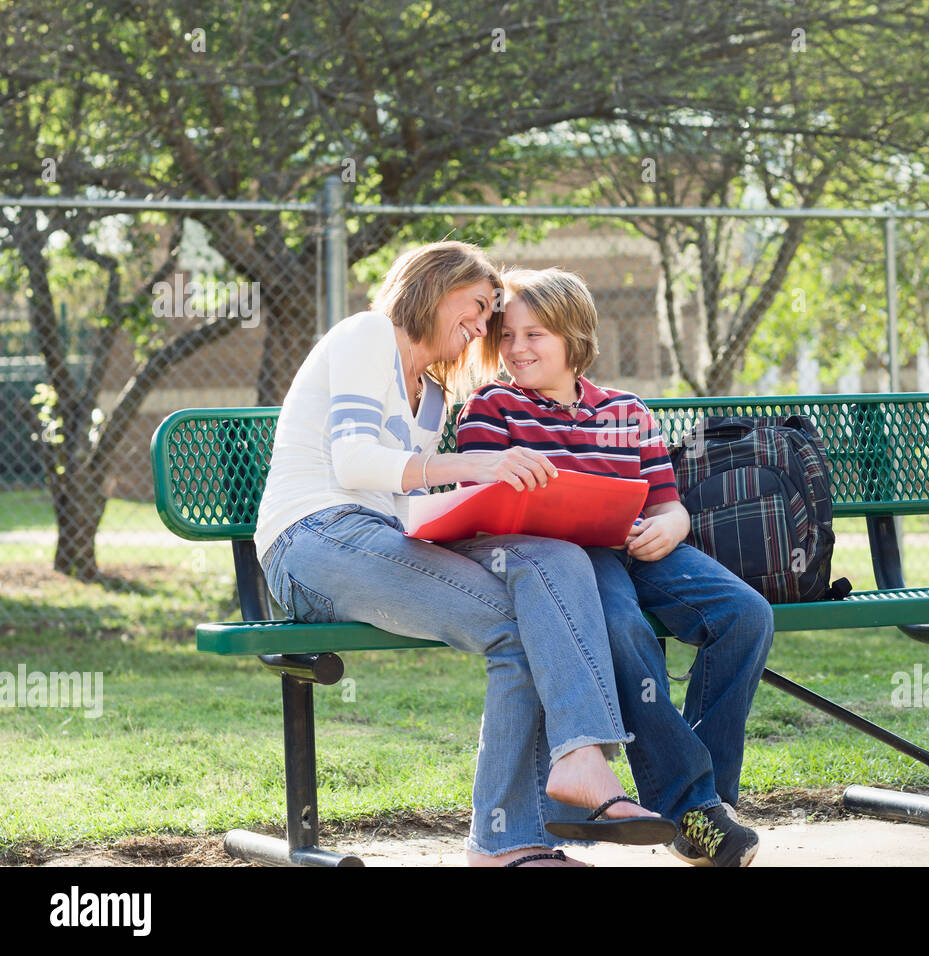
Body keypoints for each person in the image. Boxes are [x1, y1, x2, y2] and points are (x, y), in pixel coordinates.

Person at [253, 241, 672, 867]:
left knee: (550, 576)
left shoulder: (432, 395)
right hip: (313, 542)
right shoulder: (370, 334)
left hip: (377, 541)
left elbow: (405, 502)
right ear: (433, 287)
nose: (482, 327)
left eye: (488, 317)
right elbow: (355, 461)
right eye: (477, 307)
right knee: (526, 624)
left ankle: (533, 820)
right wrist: (475, 464)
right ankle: (519, 828)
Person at [455, 267, 776, 866]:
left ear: (574, 336)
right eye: (508, 337)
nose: (518, 349)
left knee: (746, 614)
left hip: (640, 548)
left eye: (537, 335)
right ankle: (691, 808)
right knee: (622, 626)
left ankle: (707, 803)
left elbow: (667, 500)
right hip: (569, 562)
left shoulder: (625, 410)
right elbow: (485, 503)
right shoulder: (490, 407)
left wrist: (669, 528)